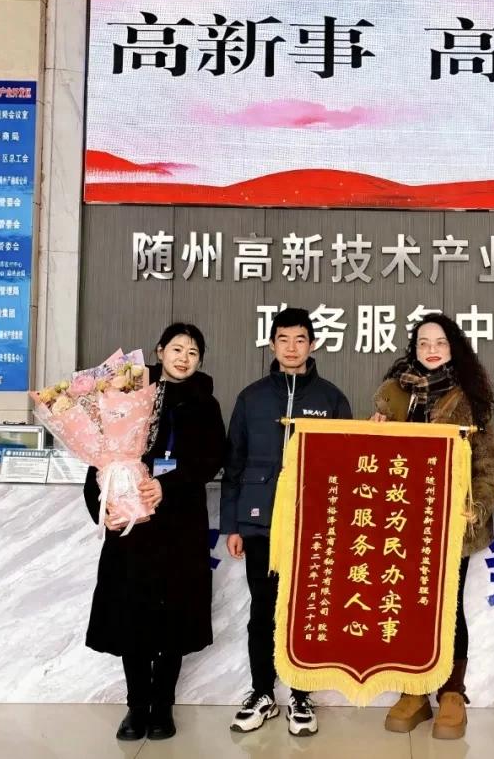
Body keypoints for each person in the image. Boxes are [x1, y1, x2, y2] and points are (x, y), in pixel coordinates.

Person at [82, 323, 226, 742]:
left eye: (193, 352)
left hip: (181, 526)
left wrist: (169, 484)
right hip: (134, 526)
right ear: (160, 351)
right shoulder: (126, 395)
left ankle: (162, 705)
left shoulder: (205, 403)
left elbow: (212, 459)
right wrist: (104, 508)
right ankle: (136, 706)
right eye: (177, 349)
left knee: (174, 618)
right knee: (133, 616)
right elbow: (99, 457)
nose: (184, 358)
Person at [222, 307, 352, 737]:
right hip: (260, 522)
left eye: (300, 339)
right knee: (262, 609)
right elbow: (234, 463)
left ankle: (300, 694)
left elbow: (346, 465)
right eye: (283, 339)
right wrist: (233, 525)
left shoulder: (331, 399)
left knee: (304, 611)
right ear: (272, 344)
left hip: (312, 524)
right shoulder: (252, 397)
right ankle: (262, 692)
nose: (292, 348)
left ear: (312, 345)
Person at [372, 313, 494, 740]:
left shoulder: (471, 399)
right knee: (407, 605)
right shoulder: (391, 394)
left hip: (450, 525)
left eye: (441, 342)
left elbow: (489, 466)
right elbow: (371, 459)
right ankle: (414, 689)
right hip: (400, 521)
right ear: (414, 348)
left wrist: (475, 508)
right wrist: (371, 434)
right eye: (424, 342)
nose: (432, 350)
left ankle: (451, 691)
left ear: (454, 348)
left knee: (447, 606)